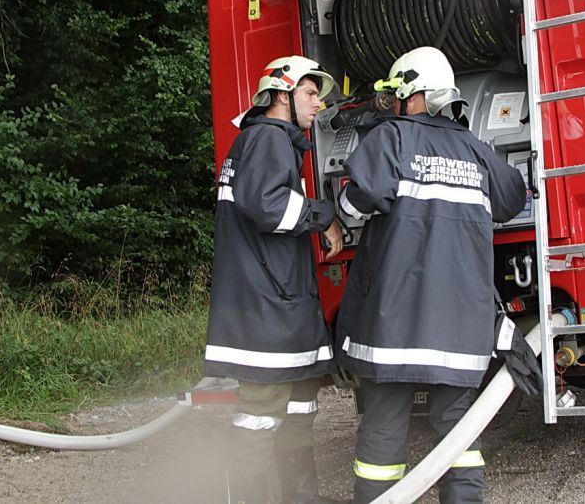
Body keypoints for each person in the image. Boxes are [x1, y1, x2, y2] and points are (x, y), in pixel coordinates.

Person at [335, 46, 529, 503]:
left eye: (396, 97)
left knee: (384, 426)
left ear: (415, 94)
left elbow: (356, 201)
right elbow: (512, 198)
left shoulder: (391, 138)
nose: (393, 106)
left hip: (394, 323)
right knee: (459, 430)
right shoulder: (476, 150)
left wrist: (339, 214)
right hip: (460, 326)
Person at [204, 55, 344, 504]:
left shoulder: (267, 140)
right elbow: (267, 206)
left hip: (279, 307)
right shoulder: (267, 138)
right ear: (282, 95)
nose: (318, 103)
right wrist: (324, 216)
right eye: (310, 93)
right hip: (267, 310)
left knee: (298, 410)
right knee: (260, 417)